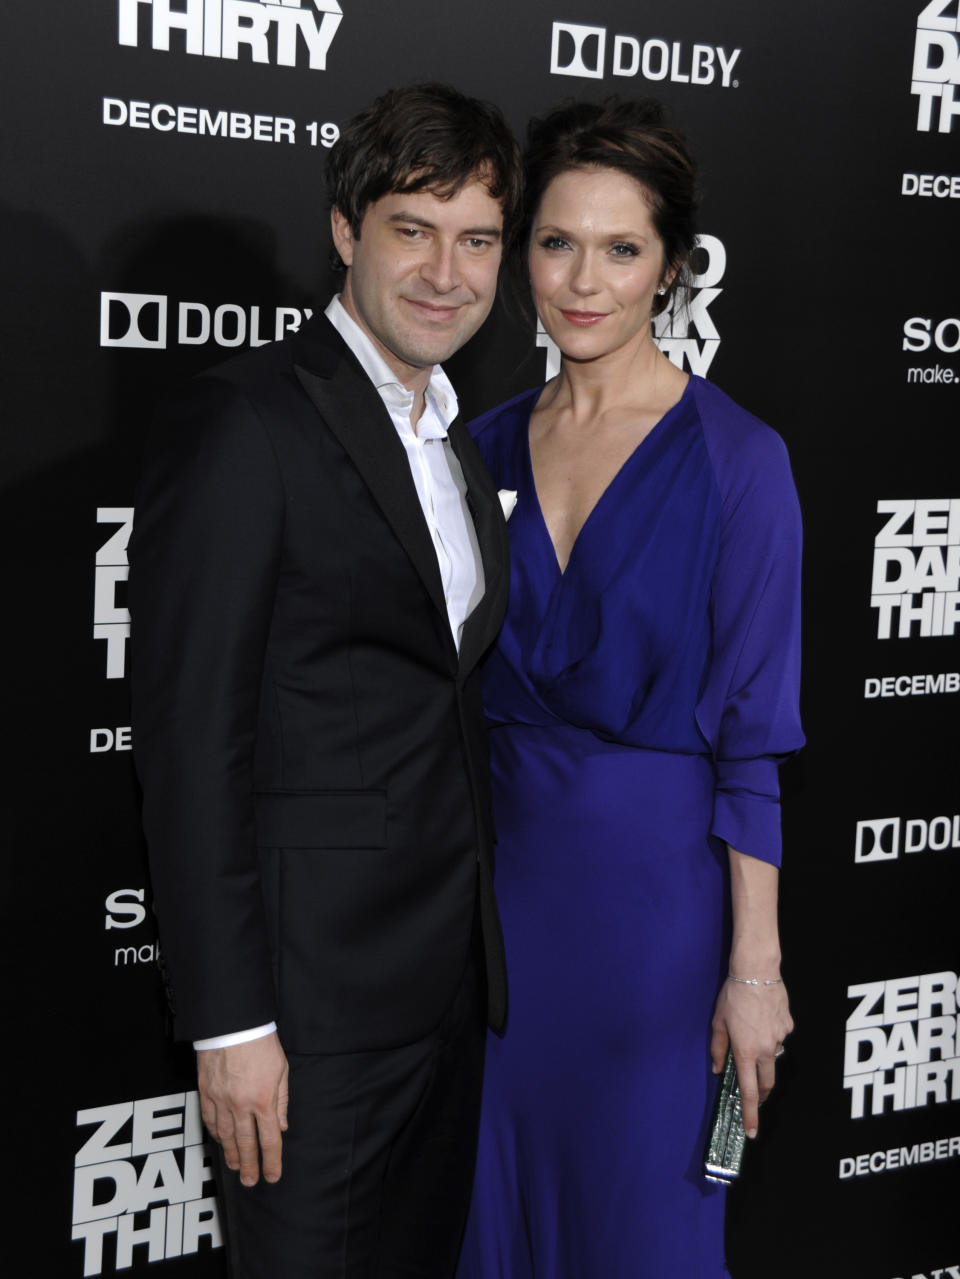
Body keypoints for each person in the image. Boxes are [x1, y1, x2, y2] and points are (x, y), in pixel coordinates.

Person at [129, 83, 521, 1279]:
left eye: (479, 239)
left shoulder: (451, 431)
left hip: (445, 997)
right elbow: (192, 744)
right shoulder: (250, 426)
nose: (447, 273)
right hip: (307, 1024)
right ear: (347, 231)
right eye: (414, 228)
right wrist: (235, 1024)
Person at [456, 98, 804, 1278]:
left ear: (670, 267)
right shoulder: (479, 445)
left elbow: (754, 738)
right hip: (492, 927)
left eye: (621, 249)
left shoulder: (740, 462)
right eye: (556, 243)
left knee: (638, 1231)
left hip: (656, 929)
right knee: (488, 1225)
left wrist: (752, 969)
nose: (583, 280)